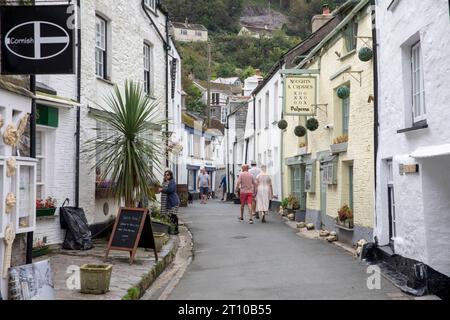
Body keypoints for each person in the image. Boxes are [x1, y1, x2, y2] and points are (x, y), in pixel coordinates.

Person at [160, 170, 180, 235]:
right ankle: (169, 230)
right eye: (165, 174)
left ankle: (176, 230)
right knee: (168, 216)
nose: (166, 176)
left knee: (173, 216)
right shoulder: (164, 182)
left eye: (168, 175)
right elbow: (160, 190)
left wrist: (162, 189)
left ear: (170, 175)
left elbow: (170, 190)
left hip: (173, 202)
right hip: (166, 202)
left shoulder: (172, 182)